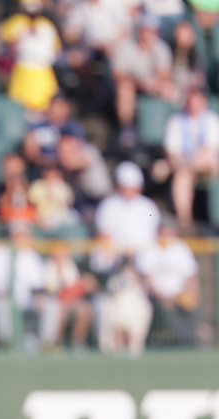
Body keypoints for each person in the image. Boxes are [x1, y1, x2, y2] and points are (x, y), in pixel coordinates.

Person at [111, 14, 174, 148]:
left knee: (169, 90)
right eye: (145, 30)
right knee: (124, 89)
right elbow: (117, 73)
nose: (148, 34)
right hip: (134, 84)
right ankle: (126, 128)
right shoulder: (126, 47)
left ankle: (167, 129)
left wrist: (153, 83)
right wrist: (139, 82)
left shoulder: (161, 48)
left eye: (152, 31)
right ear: (139, 31)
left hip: (154, 84)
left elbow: (164, 74)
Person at [136, 219, 200, 346]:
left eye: (170, 232)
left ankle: (189, 342)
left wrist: (189, 292)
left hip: (179, 294)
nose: (167, 235)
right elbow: (147, 279)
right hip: (158, 296)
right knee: (166, 309)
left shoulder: (181, 247)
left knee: (191, 303)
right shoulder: (148, 249)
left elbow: (191, 276)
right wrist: (162, 297)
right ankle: (178, 342)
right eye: (164, 232)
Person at [163, 88, 219, 229]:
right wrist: (183, 164)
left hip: (207, 163)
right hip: (184, 165)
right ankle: (184, 220)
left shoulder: (212, 119)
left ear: (203, 103)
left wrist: (186, 163)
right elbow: (172, 152)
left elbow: (208, 150)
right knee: (181, 175)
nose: (194, 105)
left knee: (186, 169)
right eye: (191, 101)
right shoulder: (176, 121)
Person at [94, 161, 161, 253]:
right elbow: (103, 235)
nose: (129, 191)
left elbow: (156, 233)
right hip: (116, 253)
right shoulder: (109, 205)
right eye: (126, 187)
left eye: (133, 188)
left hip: (146, 254)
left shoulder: (148, 206)